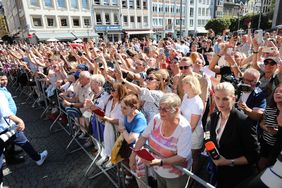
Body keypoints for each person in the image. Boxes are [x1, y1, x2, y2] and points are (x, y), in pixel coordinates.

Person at [129, 93, 192, 188]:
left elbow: (182, 157)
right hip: (158, 170)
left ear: (177, 110)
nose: (161, 112)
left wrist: (160, 162)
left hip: (176, 175)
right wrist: (133, 155)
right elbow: (143, 137)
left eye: (165, 109)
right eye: (160, 108)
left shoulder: (184, 128)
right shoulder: (156, 119)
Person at [207, 82, 259, 188]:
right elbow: (207, 135)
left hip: (236, 177)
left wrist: (228, 162)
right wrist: (210, 150)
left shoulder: (243, 122)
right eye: (217, 98)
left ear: (234, 99)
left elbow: (254, 155)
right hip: (216, 173)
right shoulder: (213, 117)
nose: (220, 103)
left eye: (225, 99)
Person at [0, 92, 48, 186]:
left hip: (5, 128)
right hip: (6, 128)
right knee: (24, 142)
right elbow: (5, 111)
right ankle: (38, 158)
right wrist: (19, 120)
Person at [181, 75, 204, 174]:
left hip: (193, 134)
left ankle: (194, 180)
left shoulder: (197, 102)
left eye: (184, 84)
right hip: (184, 131)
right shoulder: (185, 96)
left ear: (191, 85)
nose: (182, 86)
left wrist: (183, 137)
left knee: (194, 158)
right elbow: (181, 112)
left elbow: (193, 125)